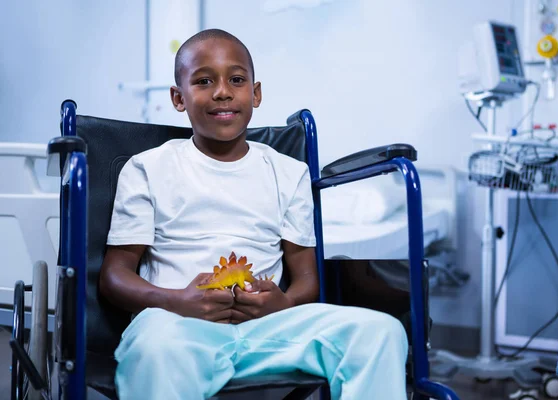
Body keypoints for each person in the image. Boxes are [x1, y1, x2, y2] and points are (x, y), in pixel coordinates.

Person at [99, 28, 408, 400]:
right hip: (177, 327)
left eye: (236, 79)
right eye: (203, 81)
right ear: (178, 98)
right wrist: (175, 300)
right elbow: (114, 276)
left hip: (270, 329)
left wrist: (285, 302)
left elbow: (306, 276)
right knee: (156, 349)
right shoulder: (147, 168)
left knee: (380, 332)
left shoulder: (287, 172)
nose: (222, 92)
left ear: (256, 93)